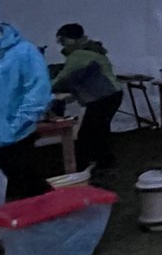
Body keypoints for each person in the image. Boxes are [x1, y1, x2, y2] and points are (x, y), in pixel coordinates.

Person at [0, 4, 51, 213]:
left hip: (12, 138)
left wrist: (15, 126)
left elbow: (38, 91)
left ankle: (56, 237)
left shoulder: (21, 52)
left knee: (31, 191)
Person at [52, 23, 124, 172]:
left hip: (104, 96)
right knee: (99, 130)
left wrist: (41, 87)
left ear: (72, 39)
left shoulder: (79, 55)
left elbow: (63, 79)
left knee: (88, 133)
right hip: (111, 95)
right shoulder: (92, 50)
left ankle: (82, 165)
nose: (62, 45)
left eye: (63, 40)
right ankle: (104, 161)